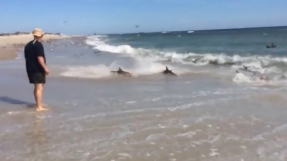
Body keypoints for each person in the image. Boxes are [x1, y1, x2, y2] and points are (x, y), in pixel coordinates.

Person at [24, 28, 50, 111]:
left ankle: (38, 104)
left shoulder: (28, 45)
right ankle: (39, 107)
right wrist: (45, 68)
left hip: (30, 68)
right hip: (37, 69)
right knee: (39, 87)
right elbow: (40, 58)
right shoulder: (38, 45)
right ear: (41, 36)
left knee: (37, 87)